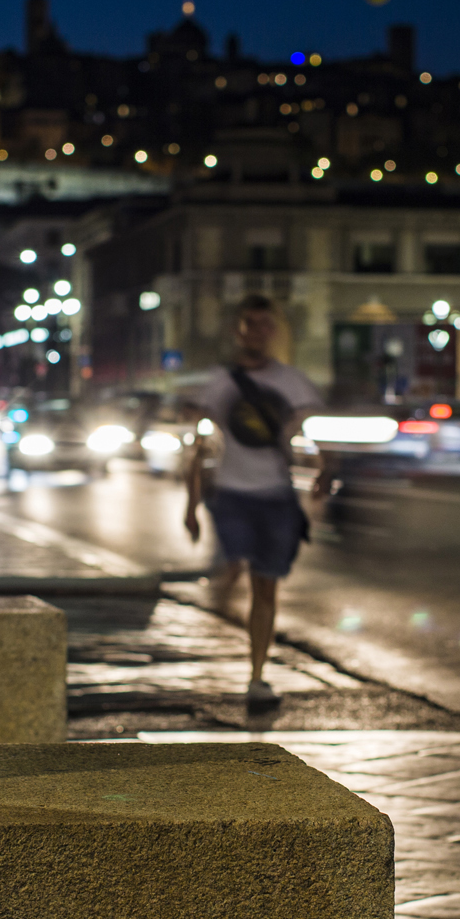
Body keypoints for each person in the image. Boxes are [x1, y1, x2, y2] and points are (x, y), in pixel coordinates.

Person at [184, 295, 332, 705]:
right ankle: (220, 588)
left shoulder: (292, 382)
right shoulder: (220, 384)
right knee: (233, 568)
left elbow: (310, 433)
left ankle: (257, 676)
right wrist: (191, 505)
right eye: (250, 323)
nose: (258, 331)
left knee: (265, 589)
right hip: (232, 496)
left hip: (276, 498)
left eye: (267, 324)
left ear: (275, 331)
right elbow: (198, 447)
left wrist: (324, 469)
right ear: (238, 329)